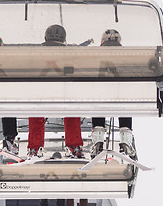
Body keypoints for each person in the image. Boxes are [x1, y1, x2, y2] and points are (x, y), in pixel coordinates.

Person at [27, 25, 84, 159]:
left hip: (41, 92)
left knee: (35, 114)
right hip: (64, 92)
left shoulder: (36, 54)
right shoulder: (70, 54)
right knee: (72, 112)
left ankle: (34, 149)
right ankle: (74, 147)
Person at [90, 29, 135, 159]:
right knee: (125, 104)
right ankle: (125, 141)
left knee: (97, 103)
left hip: (100, 91)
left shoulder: (95, 56)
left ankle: (98, 140)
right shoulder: (125, 56)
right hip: (120, 92)